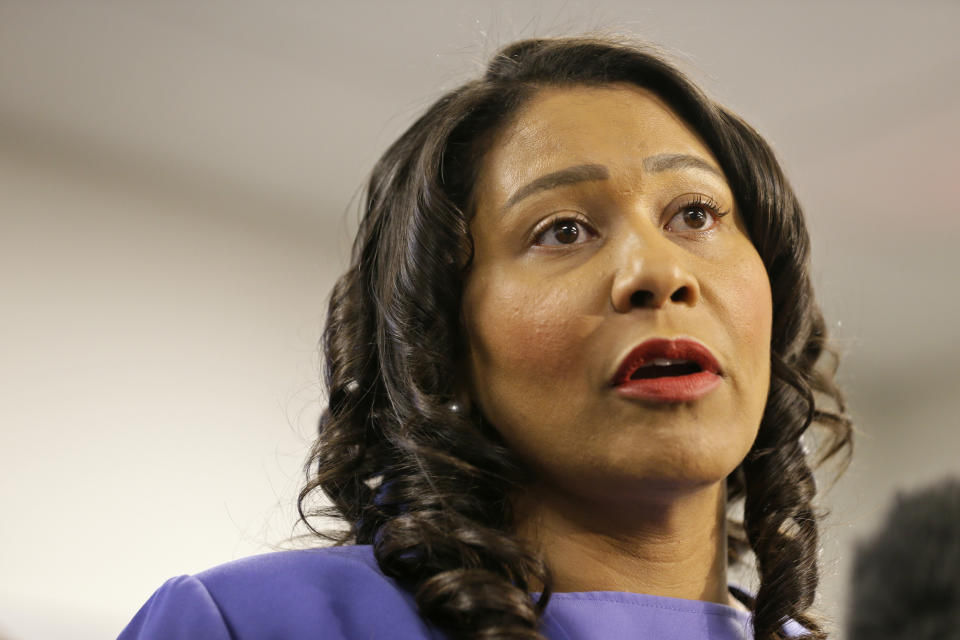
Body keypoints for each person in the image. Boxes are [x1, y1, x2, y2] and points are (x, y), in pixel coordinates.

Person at [118, 35, 853, 640]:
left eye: (694, 215)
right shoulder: (255, 625)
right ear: (440, 347)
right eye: (562, 230)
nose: (658, 271)